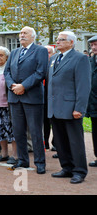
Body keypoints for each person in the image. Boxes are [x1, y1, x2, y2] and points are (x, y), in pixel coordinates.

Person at [47, 31, 91, 184]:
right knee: (60, 140)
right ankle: (66, 167)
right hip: (55, 108)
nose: (57, 42)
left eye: (61, 40)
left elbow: (83, 85)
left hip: (71, 108)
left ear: (71, 42)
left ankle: (79, 171)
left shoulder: (80, 59)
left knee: (75, 142)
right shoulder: (53, 59)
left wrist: (79, 108)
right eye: (57, 39)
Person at [4, 26, 48, 174]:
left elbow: (40, 72)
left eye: (25, 33)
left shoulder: (40, 50)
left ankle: (40, 162)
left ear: (33, 36)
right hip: (15, 97)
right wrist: (12, 86)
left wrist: (24, 86)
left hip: (32, 98)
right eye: (20, 33)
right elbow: (7, 71)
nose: (22, 35)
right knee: (18, 131)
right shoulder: (14, 52)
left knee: (35, 132)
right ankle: (22, 160)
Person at [87, 35, 97, 167]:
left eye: (96, 44)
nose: (94, 48)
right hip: (93, 104)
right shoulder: (89, 61)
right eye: (92, 45)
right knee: (95, 132)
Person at [43, 45, 56, 150]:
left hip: (53, 99)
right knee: (44, 123)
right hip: (41, 99)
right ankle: (45, 142)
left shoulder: (55, 64)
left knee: (55, 123)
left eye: (49, 52)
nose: (46, 55)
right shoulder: (39, 64)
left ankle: (56, 144)